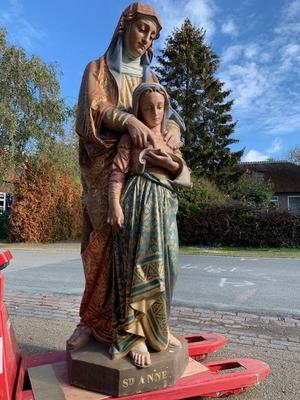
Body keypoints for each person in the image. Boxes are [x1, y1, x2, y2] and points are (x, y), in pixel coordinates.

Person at [67, 3, 184, 351]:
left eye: (152, 35)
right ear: (124, 27)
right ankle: (91, 321)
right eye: (142, 30)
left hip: (149, 182)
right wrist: (128, 121)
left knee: (152, 255)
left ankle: (150, 327)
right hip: (107, 172)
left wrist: (175, 129)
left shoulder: (151, 79)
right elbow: (91, 110)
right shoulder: (98, 69)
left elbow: (169, 112)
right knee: (101, 248)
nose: (146, 39)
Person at [107, 82, 191, 368]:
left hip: (165, 203)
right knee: (139, 267)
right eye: (148, 107)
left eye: (159, 106)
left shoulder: (170, 138)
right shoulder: (132, 137)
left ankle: (159, 328)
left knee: (170, 267)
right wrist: (114, 204)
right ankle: (136, 335)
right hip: (138, 200)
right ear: (138, 110)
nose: (155, 112)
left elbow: (186, 177)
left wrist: (168, 162)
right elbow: (117, 173)